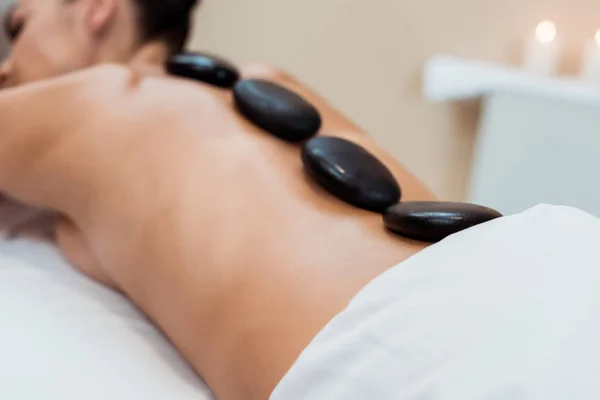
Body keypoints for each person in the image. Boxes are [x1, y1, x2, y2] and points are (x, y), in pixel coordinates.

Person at [2, 1, 600, 400]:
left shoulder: (83, 103)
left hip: (420, 354)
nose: (7, 70)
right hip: (554, 265)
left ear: (94, 7)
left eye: (17, 29)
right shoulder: (271, 83)